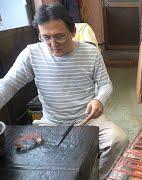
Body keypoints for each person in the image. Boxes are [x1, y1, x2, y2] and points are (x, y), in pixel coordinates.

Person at [0, 3, 128, 180]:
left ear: (73, 31)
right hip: (51, 123)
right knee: (36, 162)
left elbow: (106, 84)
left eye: (60, 37)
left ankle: (97, 176)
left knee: (118, 140)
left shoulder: (91, 53)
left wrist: (99, 100)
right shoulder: (32, 54)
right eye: (46, 38)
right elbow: (8, 84)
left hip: (89, 119)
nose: (53, 44)